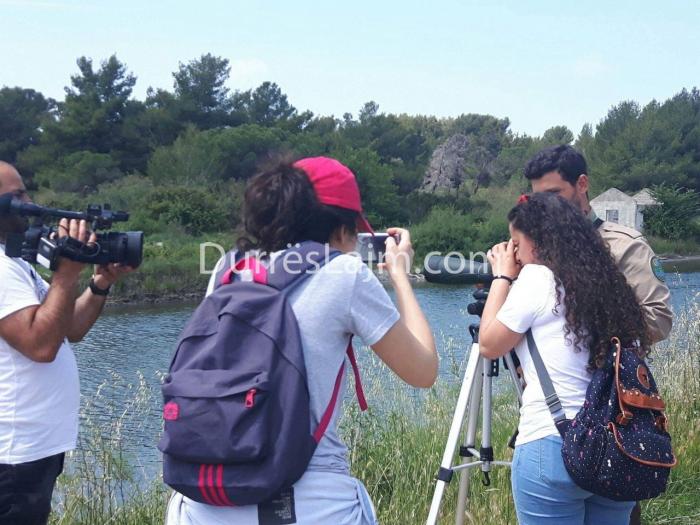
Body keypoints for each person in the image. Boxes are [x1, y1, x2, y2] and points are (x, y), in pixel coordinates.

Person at [166, 156, 438, 525]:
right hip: (310, 502)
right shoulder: (344, 273)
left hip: (205, 501)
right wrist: (401, 277)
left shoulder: (228, 268)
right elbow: (422, 371)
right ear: (342, 228)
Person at [479, 192, 648, 524]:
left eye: (516, 243)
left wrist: (501, 276)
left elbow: (489, 344)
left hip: (553, 445)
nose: (515, 253)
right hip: (616, 445)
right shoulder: (608, 283)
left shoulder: (537, 277)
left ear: (538, 245)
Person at [0, 161, 133, 525]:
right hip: (12, 455)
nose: (31, 202)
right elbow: (41, 346)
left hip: (32, 449)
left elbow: (68, 328)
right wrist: (65, 275)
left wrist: (98, 283)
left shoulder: (14, 265)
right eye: (18, 196)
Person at [524, 144, 672, 344]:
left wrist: (581, 317)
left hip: (604, 371)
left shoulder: (626, 246)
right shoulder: (534, 248)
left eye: (554, 193)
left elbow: (659, 322)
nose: (545, 205)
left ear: (582, 184)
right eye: (538, 198)